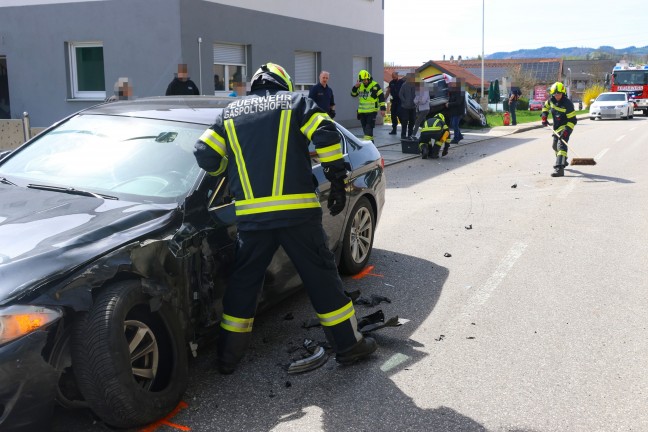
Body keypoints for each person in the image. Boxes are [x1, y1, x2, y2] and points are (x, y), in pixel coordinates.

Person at [194, 62, 377, 374]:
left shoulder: (230, 113)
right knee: (321, 278)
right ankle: (348, 346)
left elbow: (204, 152)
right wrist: (335, 179)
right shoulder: (296, 103)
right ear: (283, 83)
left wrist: (229, 170)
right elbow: (325, 132)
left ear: (254, 85)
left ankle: (227, 358)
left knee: (243, 284)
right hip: (298, 216)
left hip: (253, 221)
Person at [541, 81, 577, 177]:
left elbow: (573, 120)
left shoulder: (567, 104)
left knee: (561, 146)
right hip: (556, 128)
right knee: (554, 146)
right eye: (555, 94)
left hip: (566, 127)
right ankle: (563, 160)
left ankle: (559, 168)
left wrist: (566, 131)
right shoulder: (551, 100)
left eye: (559, 94)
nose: (557, 96)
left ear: (563, 93)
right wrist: (544, 116)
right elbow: (545, 107)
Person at [350, 69, 386, 142]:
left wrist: (382, 109)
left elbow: (381, 97)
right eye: (363, 80)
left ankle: (369, 147)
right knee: (366, 131)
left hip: (372, 112)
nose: (365, 81)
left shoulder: (375, 85)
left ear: (369, 78)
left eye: (366, 79)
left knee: (368, 130)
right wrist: (355, 87)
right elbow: (353, 94)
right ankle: (371, 147)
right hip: (362, 112)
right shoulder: (360, 86)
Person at [446, 79, 466, 143]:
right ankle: (459, 136)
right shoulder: (454, 91)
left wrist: (449, 104)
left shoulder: (460, 91)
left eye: (453, 83)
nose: (451, 84)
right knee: (453, 124)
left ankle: (456, 139)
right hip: (454, 111)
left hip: (458, 111)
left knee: (454, 125)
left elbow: (458, 102)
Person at [398, 73, 416, 140]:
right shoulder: (404, 85)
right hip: (405, 107)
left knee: (412, 121)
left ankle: (410, 135)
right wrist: (404, 101)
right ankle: (403, 135)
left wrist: (416, 101)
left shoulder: (415, 85)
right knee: (404, 121)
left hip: (413, 107)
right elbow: (400, 94)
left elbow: (418, 94)